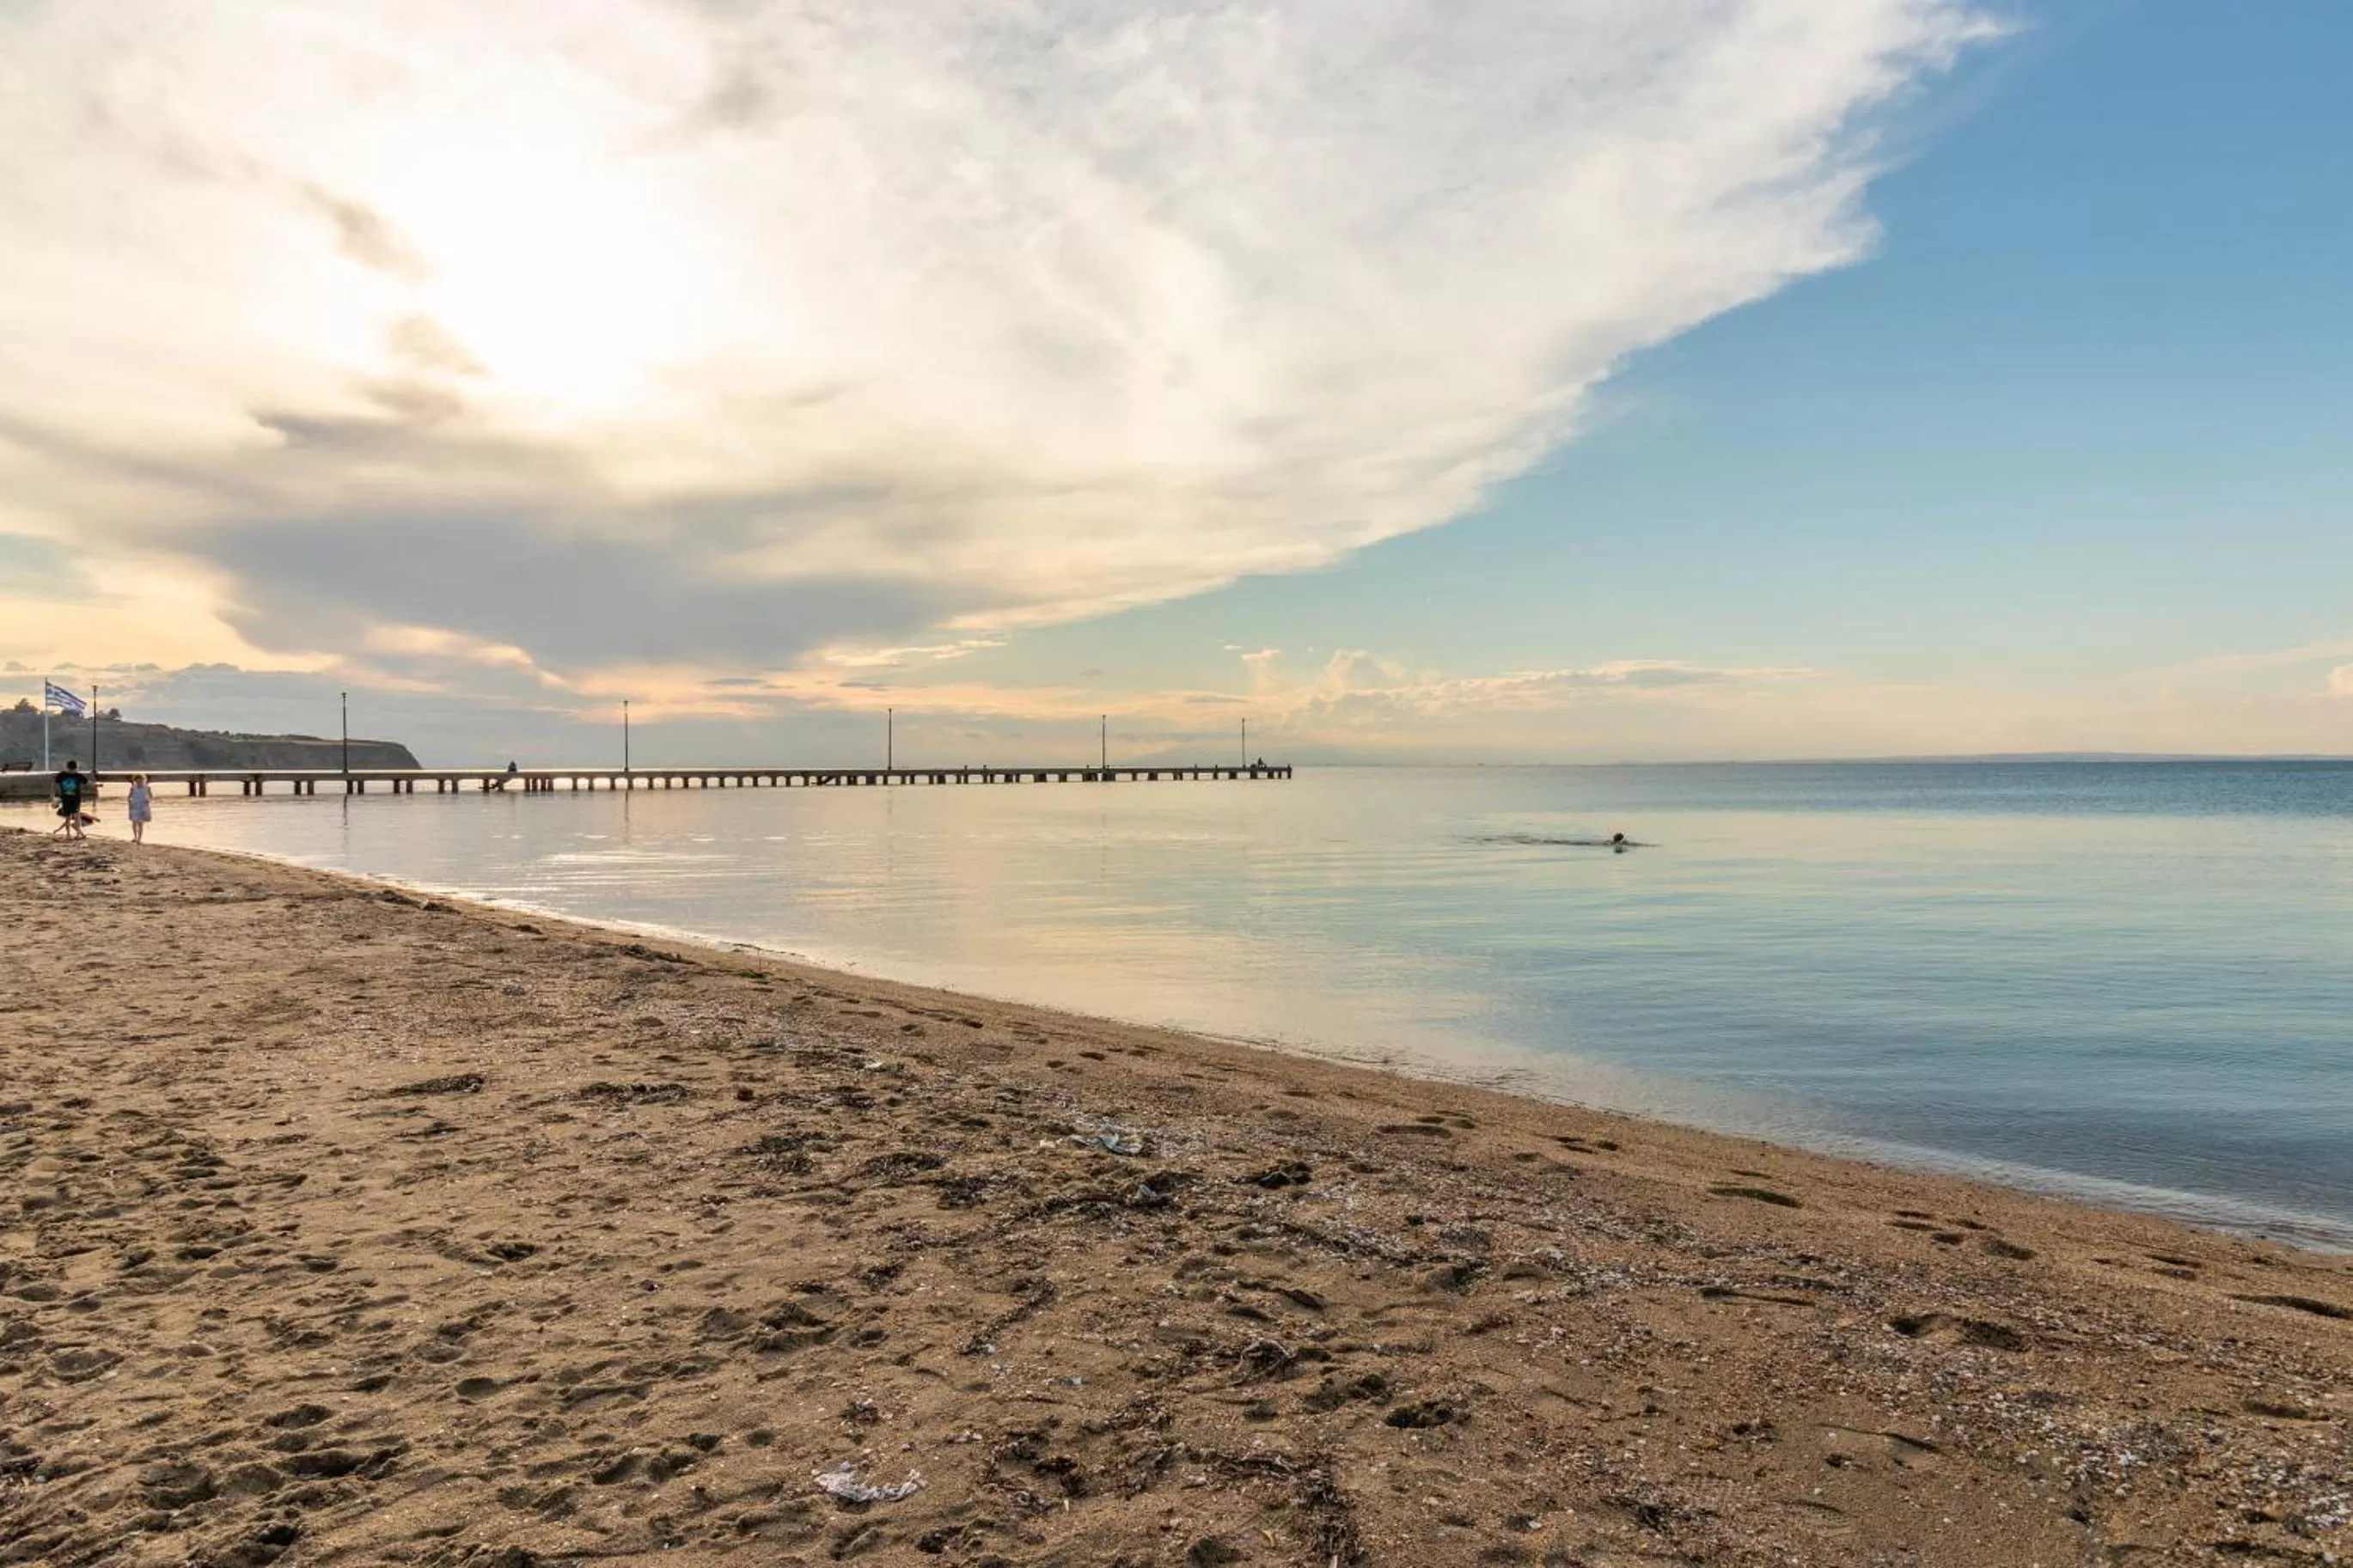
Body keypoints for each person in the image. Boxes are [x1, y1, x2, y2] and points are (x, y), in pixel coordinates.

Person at [52, 759, 87, 841]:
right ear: (76, 767)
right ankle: (74, 834)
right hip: (72, 799)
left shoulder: (62, 775)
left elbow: (54, 785)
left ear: (67, 767)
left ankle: (71, 835)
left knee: (69, 817)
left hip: (68, 799)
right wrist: (96, 785)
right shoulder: (77, 776)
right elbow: (87, 783)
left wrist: (55, 795)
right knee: (74, 816)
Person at [127, 774, 153, 844]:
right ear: (135, 781)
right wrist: (130, 805)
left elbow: (151, 796)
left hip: (143, 806)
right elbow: (129, 797)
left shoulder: (147, 787)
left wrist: (149, 800)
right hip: (135, 806)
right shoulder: (133, 788)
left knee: (141, 823)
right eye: (138, 780)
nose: (140, 781)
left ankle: (139, 839)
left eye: (141, 780)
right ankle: (135, 837)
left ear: (144, 780)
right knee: (134, 822)